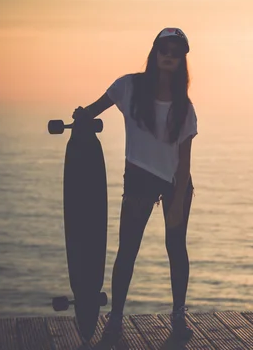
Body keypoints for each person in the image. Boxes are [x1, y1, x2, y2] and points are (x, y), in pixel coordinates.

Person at [72, 27, 197, 341]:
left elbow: (185, 161)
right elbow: (94, 109)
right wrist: (82, 116)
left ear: (182, 60)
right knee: (127, 250)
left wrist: (179, 202)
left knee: (176, 248)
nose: (169, 55)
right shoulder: (128, 87)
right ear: (155, 52)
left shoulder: (185, 106)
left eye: (176, 52)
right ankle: (114, 321)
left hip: (175, 182)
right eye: (164, 49)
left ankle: (179, 317)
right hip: (140, 178)